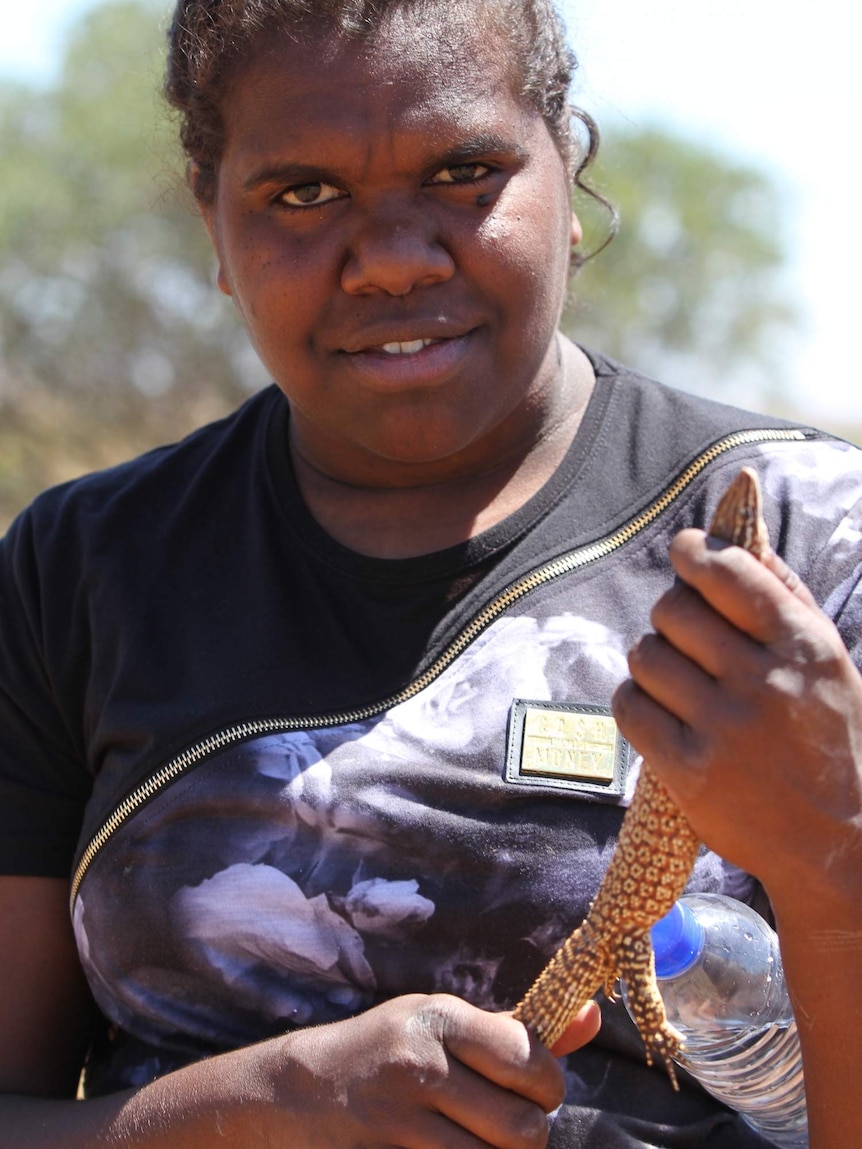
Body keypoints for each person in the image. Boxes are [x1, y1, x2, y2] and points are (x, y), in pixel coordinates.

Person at [0, 0, 859, 1145]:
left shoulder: (808, 543)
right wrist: (267, 1107)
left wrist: (828, 843)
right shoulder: (82, 570)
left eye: (464, 171)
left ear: (569, 177)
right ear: (211, 219)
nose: (395, 259)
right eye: (301, 193)